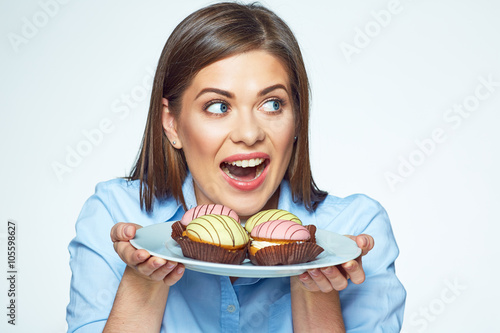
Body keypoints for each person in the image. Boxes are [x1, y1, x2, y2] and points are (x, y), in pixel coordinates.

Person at [66, 2, 406, 332]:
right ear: (171, 123)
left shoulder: (355, 232)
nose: (249, 134)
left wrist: (316, 287)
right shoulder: (115, 216)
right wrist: (144, 281)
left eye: (272, 104)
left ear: (298, 118)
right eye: (217, 106)